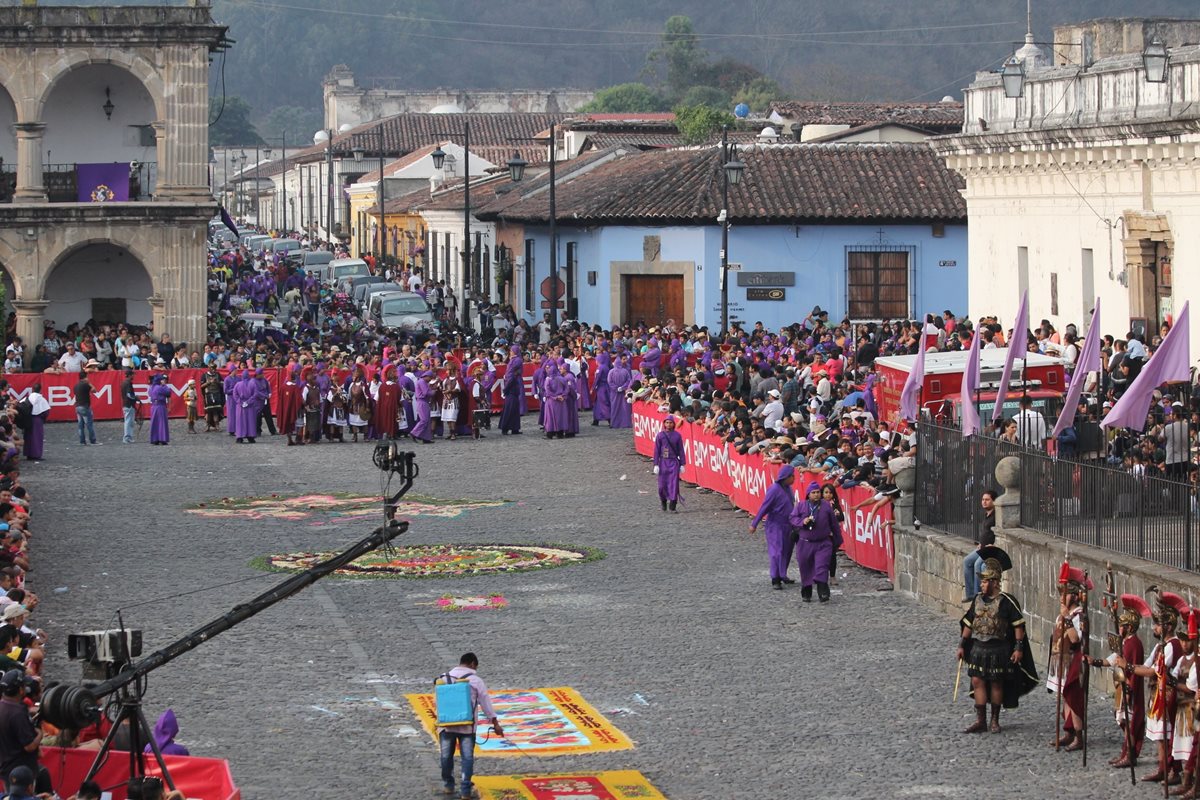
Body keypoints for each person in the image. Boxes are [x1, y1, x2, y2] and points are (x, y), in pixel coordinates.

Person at [956, 546, 1039, 734]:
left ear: (994, 582)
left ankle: (994, 719)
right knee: (977, 681)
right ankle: (981, 720)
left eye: (984, 582)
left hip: (998, 649)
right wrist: (962, 645)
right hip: (978, 648)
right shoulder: (977, 600)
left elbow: (1018, 625)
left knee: (996, 682)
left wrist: (1018, 648)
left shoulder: (1006, 602)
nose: (982, 585)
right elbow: (969, 623)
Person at [1119, 591, 1190, 785]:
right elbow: (1148, 665)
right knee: (1160, 736)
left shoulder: (1172, 646)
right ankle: (1163, 768)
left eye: (1158, 624)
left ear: (1167, 626)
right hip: (1156, 695)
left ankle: (1171, 770)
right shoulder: (1160, 646)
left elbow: (1153, 672)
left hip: (1167, 696)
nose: (1154, 627)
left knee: (1166, 736)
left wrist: (1129, 667)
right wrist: (1129, 666)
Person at [438, 652, 502, 800]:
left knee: (446, 756)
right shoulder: (475, 680)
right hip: (467, 727)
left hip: (446, 725)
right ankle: (465, 790)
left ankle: (448, 785)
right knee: (467, 758)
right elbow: (486, 703)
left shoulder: (443, 678)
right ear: (473, 664)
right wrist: (495, 723)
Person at [1097, 593, 1149, 770]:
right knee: (1122, 720)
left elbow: (1131, 669)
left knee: (1129, 722)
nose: (1119, 628)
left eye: (1122, 626)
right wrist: (1096, 662)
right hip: (1122, 686)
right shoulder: (1126, 641)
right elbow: (1115, 658)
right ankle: (1126, 752)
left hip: (1129, 688)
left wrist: (1128, 692)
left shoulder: (1134, 644)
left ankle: (1130, 754)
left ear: (1129, 627)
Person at [1047, 565, 1092, 751]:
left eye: (1064, 594)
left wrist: (1066, 619)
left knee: (1073, 696)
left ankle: (1079, 736)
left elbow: (1075, 638)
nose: (1061, 598)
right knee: (1064, 696)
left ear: (1073, 596)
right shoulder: (1065, 613)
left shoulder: (1079, 616)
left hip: (1075, 660)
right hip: (1062, 660)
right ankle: (1068, 731)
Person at [788, 481, 840, 603]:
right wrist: (803, 521)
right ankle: (807, 592)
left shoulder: (826, 506)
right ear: (808, 494)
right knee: (805, 569)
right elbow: (792, 518)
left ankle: (823, 592)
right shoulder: (801, 506)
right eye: (813, 493)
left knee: (822, 566)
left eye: (818, 492)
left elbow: (834, 524)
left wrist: (836, 541)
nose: (816, 495)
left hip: (823, 543)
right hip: (805, 543)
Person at [749, 464, 797, 589]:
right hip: (775, 525)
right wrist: (754, 523)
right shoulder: (774, 489)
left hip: (788, 525)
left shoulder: (788, 489)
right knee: (777, 551)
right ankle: (775, 578)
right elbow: (764, 507)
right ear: (786, 477)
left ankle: (783, 574)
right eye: (792, 476)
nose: (794, 479)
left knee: (787, 550)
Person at [0, 670, 40, 789]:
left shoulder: (3, 706)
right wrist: (40, 734)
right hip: (21, 771)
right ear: (20, 690)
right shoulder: (17, 714)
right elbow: (29, 746)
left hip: (6, 767)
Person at [962, 490, 998, 602]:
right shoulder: (986, 514)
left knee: (978, 565)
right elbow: (986, 533)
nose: (984, 502)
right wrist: (980, 543)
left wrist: (994, 544)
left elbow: (998, 533)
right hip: (982, 547)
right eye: (983, 500)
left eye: (987, 500)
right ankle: (971, 594)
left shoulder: (996, 515)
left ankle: (979, 595)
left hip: (990, 549)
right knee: (967, 561)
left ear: (994, 501)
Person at [653, 415, 686, 512]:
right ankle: (663, 501)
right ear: (664, 424)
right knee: (662, 485)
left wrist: (682, 464)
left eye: (670, 423)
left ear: (673, 424)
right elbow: (656, 450)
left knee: (673, 484)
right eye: (667, 422)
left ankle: (673, 505)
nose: (668, 424)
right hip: (663, 462)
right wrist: (656, 464)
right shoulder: (660, 435)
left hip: (674, 462)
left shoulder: (677, 435)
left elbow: (681, 450)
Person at [18, 389, 47, 464]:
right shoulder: (41, 399)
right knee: (37, 438)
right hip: (37, 420)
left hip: (28, 419)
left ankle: (28, 454)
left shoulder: (27, 398)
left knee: (28, 437)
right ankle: (36, 455)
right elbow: (45, 411)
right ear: (40, 390)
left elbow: (20, 407)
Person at [498, 347, 523, 436]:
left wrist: (506, 389)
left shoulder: (514, 361)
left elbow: (511, 375)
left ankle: (512, 428)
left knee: (511, 409)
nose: (510, 352)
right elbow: (512, 375)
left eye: (511, 351)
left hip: (512, 387)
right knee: (512, 409)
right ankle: (509, 428)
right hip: (513, 387)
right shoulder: (515, 360)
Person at [73, 370, 98, 446]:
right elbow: (94, 390)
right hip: (85, 406)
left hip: (77, 406)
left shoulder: (76, 386)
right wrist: (89, 383)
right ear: (85, 377)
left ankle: (82, 441)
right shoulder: (86, 384)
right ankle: (92, 440)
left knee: (80, 425)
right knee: (89, 424)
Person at [148, 374, 171, 445]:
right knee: (162, 422)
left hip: (153, 406)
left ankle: (155, 439)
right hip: (160, 406)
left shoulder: (151, 387)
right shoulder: (160, 388)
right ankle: (162, 438)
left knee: (154, 422)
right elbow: (168, 392)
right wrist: (165, 385)